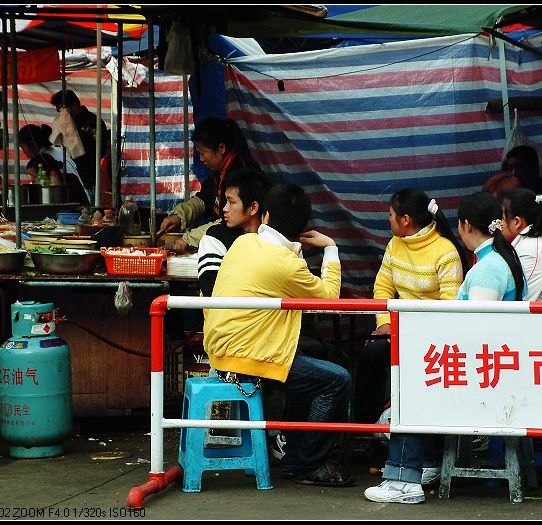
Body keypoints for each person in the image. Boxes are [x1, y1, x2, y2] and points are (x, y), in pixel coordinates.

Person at [364, 191, 526, 504]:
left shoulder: (487, 269)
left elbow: (473, 331)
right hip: (490, 366)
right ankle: (420, 464)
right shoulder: (503, 259)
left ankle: (403, 478)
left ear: (466, 225)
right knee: (409, 372)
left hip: (479, 371)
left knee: (410, 388)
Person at [203, 182, 355, 487]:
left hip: (221, 349)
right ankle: (308, 464)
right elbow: (329, 299)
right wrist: (331, 248)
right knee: (338, 380)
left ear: (266, 215)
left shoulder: (244, 243)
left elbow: (279, 259)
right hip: (248, 356)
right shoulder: (287, 264)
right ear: (301, 228)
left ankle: (298, 457)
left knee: (309, 365)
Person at [352, 189, 470, 482]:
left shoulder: (445, 252)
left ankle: (415, 456)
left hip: (430, 338)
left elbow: (449, 308)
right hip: (397, 332)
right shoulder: (395, 244)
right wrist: (385, 323)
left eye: (391, 216)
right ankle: (364, 434)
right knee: (370, 353)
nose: (388, 220)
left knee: (408, 371)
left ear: (406, 219)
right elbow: (382, 289)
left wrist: (406, 330)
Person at [156, 117, 263, 252]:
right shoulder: (218, 173)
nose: (201, 159)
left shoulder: (242, 174)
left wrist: (188, 238)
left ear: (221, 148)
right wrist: (179, 216)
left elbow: (229, 222)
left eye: (202, 153)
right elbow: (204, 199)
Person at [197, 167, 272, 296]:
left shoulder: (273, 237)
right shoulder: (215, 237)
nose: (225, 208)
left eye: (231, 202)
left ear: (253, 207)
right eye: (225, 201)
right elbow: (213, 290)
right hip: (224, 315)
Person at [50, 89, 108, 194]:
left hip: (88, 175)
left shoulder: (93, 121)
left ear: (74, 105)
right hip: (68, 174)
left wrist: (77, 148)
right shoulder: (62, 122)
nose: (62, 114)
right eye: (59, 111)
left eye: (65, 110)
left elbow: (100, 150)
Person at [18, 123, 91, 205]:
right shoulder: (57, 150)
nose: (23, 151)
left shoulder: (45, 159)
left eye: (23, 147)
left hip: (73, 200)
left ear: (33, 143)